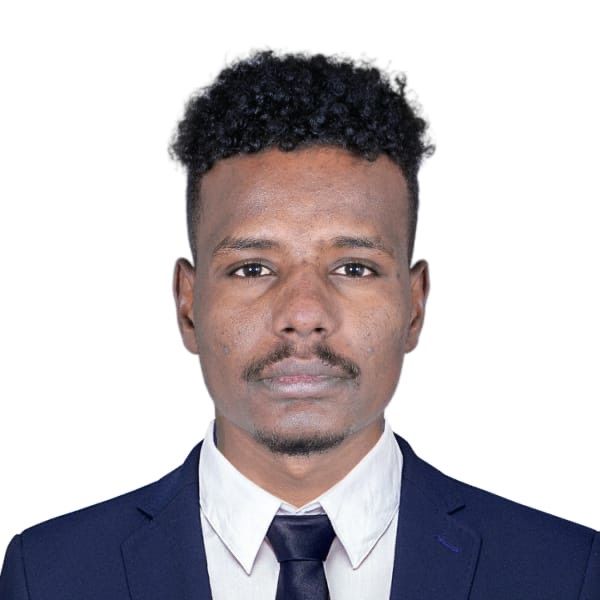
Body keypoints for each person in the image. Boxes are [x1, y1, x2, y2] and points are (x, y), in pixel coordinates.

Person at [0, 50, 598, 600]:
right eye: (253, 268)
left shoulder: (566, 574)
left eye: (354, 267)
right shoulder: (47, 576)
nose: (304, 315)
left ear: (414, 305)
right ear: (188, 304)